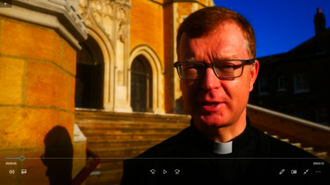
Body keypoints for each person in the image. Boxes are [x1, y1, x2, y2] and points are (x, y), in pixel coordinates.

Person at [121, 6, 330, 185]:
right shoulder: (141, 173)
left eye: (227, 66)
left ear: (252, 75)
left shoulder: (311, 174)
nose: (209, 84)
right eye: (193, 67)